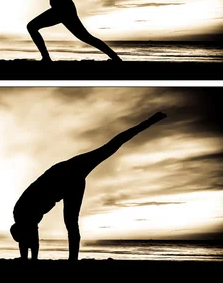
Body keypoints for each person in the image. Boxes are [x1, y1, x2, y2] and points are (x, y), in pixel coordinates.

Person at [11, 111, 167, 260]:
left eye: (26, 235)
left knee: (111, 147)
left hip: (66, 172)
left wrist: (31, 260)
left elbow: (31, 243)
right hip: (71, 184)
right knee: (71, 223)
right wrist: (28, 260)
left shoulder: (22, 213)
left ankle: (149, 121)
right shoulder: (25, 223)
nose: (31, 236)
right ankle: (73, 260)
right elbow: (28, 242)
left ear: (22, 227)